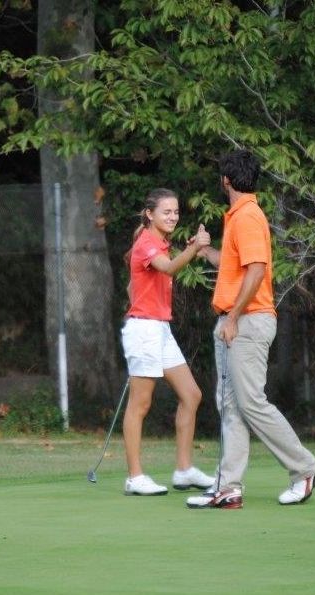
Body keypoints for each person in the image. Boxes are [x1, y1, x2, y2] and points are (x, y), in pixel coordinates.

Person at [187, 150, 315, 509]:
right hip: (237, 319)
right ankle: (228, 487)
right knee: (231, 405)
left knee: (250, 403)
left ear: (225, 180)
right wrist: (205, 251)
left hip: (247, 320)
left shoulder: (248, 216)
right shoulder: (239, 216)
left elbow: (257, 270)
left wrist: (233, 317)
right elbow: (234, 265)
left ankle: (306, 469)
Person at [120, 188, 216, 496]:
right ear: (150, 214)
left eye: (176, 212)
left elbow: (134, 286)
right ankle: (135, 477)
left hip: (159, 329)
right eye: (166, 212)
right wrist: (194, 249)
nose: (173, 217)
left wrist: (189, 251)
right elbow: (169, 267)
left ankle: (184, 470)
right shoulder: (146, 243)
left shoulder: (159, 243)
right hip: (144, 330)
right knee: (140, 404)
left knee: (191, 395)